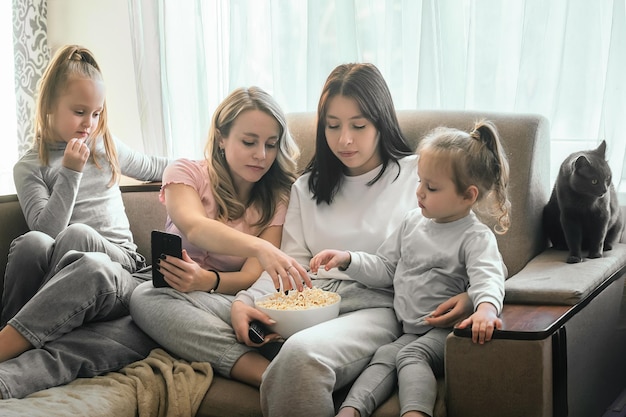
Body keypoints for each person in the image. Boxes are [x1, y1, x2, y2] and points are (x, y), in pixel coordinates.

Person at [132, 62, 473, 416]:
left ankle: (277, 364)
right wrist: (243, 302)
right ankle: (256, 357)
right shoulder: (305, 187)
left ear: (381, 121)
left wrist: (471, 295)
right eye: (333, 126)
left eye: (359, 125)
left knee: (300, 357)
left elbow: (470, 242)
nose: (345, 139)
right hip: (301, 302)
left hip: (373, 306)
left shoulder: (419, 175)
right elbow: (285, 265)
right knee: (148, 296)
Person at [311, 120, 511, 417]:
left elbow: (490, 276)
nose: (419, 192)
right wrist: (348, 259)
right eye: (419, 181)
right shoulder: (411, 223)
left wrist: (485, 310)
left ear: (468, 196)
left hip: (448, 333)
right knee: (384, 356)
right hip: (411, 328)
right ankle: (351, 411)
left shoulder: (474, 236)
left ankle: (416, 413)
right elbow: (386, 268)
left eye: (431, 187)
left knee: (410, 356)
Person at [0, 44, 168, 398]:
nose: (89, 124)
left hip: (119, 261)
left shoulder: (104, 144)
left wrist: (206, 168)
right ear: (48, 106)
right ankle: (13, 334)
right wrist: (70, 173)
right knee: (32, 243)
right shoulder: (29, 166)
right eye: (79, 112)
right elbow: (45, 233)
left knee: (78, 234)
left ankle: (24, 337)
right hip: (63, 265)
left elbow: (154, 167)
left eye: (96, 113)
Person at [130, 85, 309, 387]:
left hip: (229, 301)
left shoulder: (278, 196)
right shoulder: (185, 173)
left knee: (148, 299)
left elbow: (252, 276)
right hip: (173, 293)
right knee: (146, 295)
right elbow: (196, 228)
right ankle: (266, 375)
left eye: (271, 144)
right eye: (249, 142)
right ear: (222, 137)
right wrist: (260, 248)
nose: (261, 155)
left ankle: (236, 342)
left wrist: (208, 282)